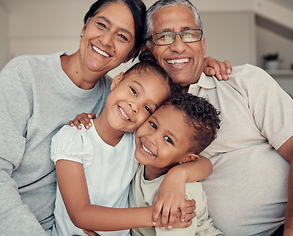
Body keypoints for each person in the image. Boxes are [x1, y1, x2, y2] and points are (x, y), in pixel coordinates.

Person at [0, 0, 230, 234]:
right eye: (101, 24)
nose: (106, 40)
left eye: (122, 37)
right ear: (85, 25)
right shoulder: (24, 75)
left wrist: (200, 65)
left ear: (133, 53)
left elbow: (181, 142)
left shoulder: (122, 108)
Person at [142, 0, 293, 235]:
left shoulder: (245, 82)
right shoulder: (143, 109)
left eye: (188, 33)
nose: (178, 46)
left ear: (202, 44)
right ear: (148, 50)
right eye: (164, 36)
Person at [51, 57, 206, 236]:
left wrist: (178, 175)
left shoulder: (138, 142)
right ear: (117, 81)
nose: (135, 106)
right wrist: (157, 215)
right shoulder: (74, 138)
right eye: (134, 91)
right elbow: (80, 214)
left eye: (147, 108)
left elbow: (203, 164)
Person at [129, 92, 224, 236]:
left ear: (187, 159)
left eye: (168, 139)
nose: (151, 138)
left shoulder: (182, 197)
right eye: (153, 124)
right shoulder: (140, 157)